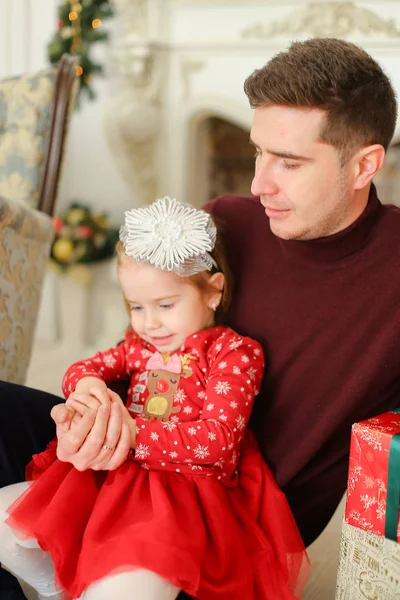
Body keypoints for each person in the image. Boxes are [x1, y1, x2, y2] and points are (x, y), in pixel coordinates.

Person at [1, 35, 399, 597]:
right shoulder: (224, 224)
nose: (260, 183)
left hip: (224, 510)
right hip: (131, 456)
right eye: (258, 151)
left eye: (289, 162)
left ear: (364, 165)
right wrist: (91, 406)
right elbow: (144, 349)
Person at [0, 197, 309, 600]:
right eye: (136, 306)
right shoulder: (136, 346)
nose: (150, 322)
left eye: (165, 305)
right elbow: (82, 368)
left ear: (214, 292)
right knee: (8, 529)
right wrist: (88, 387)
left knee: (124, 583)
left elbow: (217, 440)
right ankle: (57, 589)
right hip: (116, 476)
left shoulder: (232, 352)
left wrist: (128, 434)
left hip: (184, 493)